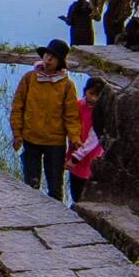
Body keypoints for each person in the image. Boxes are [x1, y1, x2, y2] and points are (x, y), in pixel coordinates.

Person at [11, 41, 86, 200]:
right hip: (31, 139)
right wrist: (17, 133)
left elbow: (71, 116)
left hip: (55, 143)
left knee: (55, 187)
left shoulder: (67, 85)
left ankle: (58, 220)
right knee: (31, 185)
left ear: (60, 62)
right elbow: (18, 107)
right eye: (47, 55)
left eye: (54, 57)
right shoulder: (30, 79)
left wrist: (75, 138)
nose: (49, 59)